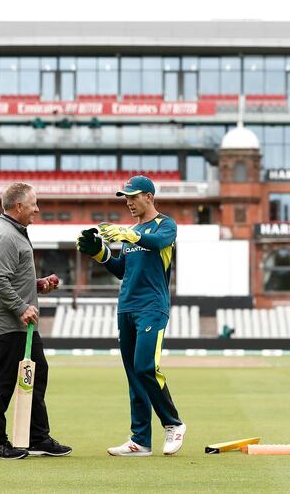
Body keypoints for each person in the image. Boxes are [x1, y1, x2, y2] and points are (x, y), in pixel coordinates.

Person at [76, 175, 185, 457]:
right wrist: (99, 253)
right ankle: (141, 441)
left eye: (133, 196)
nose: (128, 202)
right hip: (126, 307)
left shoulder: (165, 225)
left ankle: (173, 423)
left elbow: (156, 242)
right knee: (134, 374)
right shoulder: (131, 232)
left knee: (145, 366)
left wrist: (128, 234)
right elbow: (123, 270)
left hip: (152, 306)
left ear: (148, 196)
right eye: (125, 197)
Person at [0, 182, 72, 459]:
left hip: (19, 325)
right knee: (2, 384)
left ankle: (36, 437)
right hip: (6, 324)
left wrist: (37, 284)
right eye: (33, 203)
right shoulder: (6, 235)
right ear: (18, 206)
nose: (37, 209)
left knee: (37, 374)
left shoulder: (14, 232)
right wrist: (21, 305)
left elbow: (9, 276)